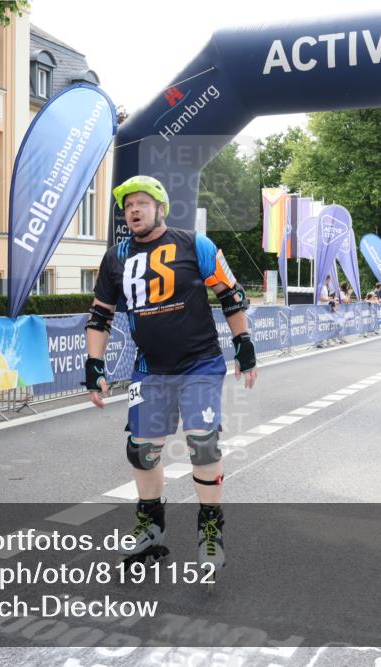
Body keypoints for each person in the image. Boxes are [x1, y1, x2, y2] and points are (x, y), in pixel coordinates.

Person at [84, 175, 258, 579]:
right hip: (150, 369)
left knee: (202, 441)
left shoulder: (193, 243)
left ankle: (210, 529)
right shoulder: (115, 258)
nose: (134, 210)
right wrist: (95, 367)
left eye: (142, 203)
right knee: (141, 450)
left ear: (160, 208)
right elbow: (100, 316)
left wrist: (244, 344)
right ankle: (150, 526)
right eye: (128, 206)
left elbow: (231, 295)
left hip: (199, 364)